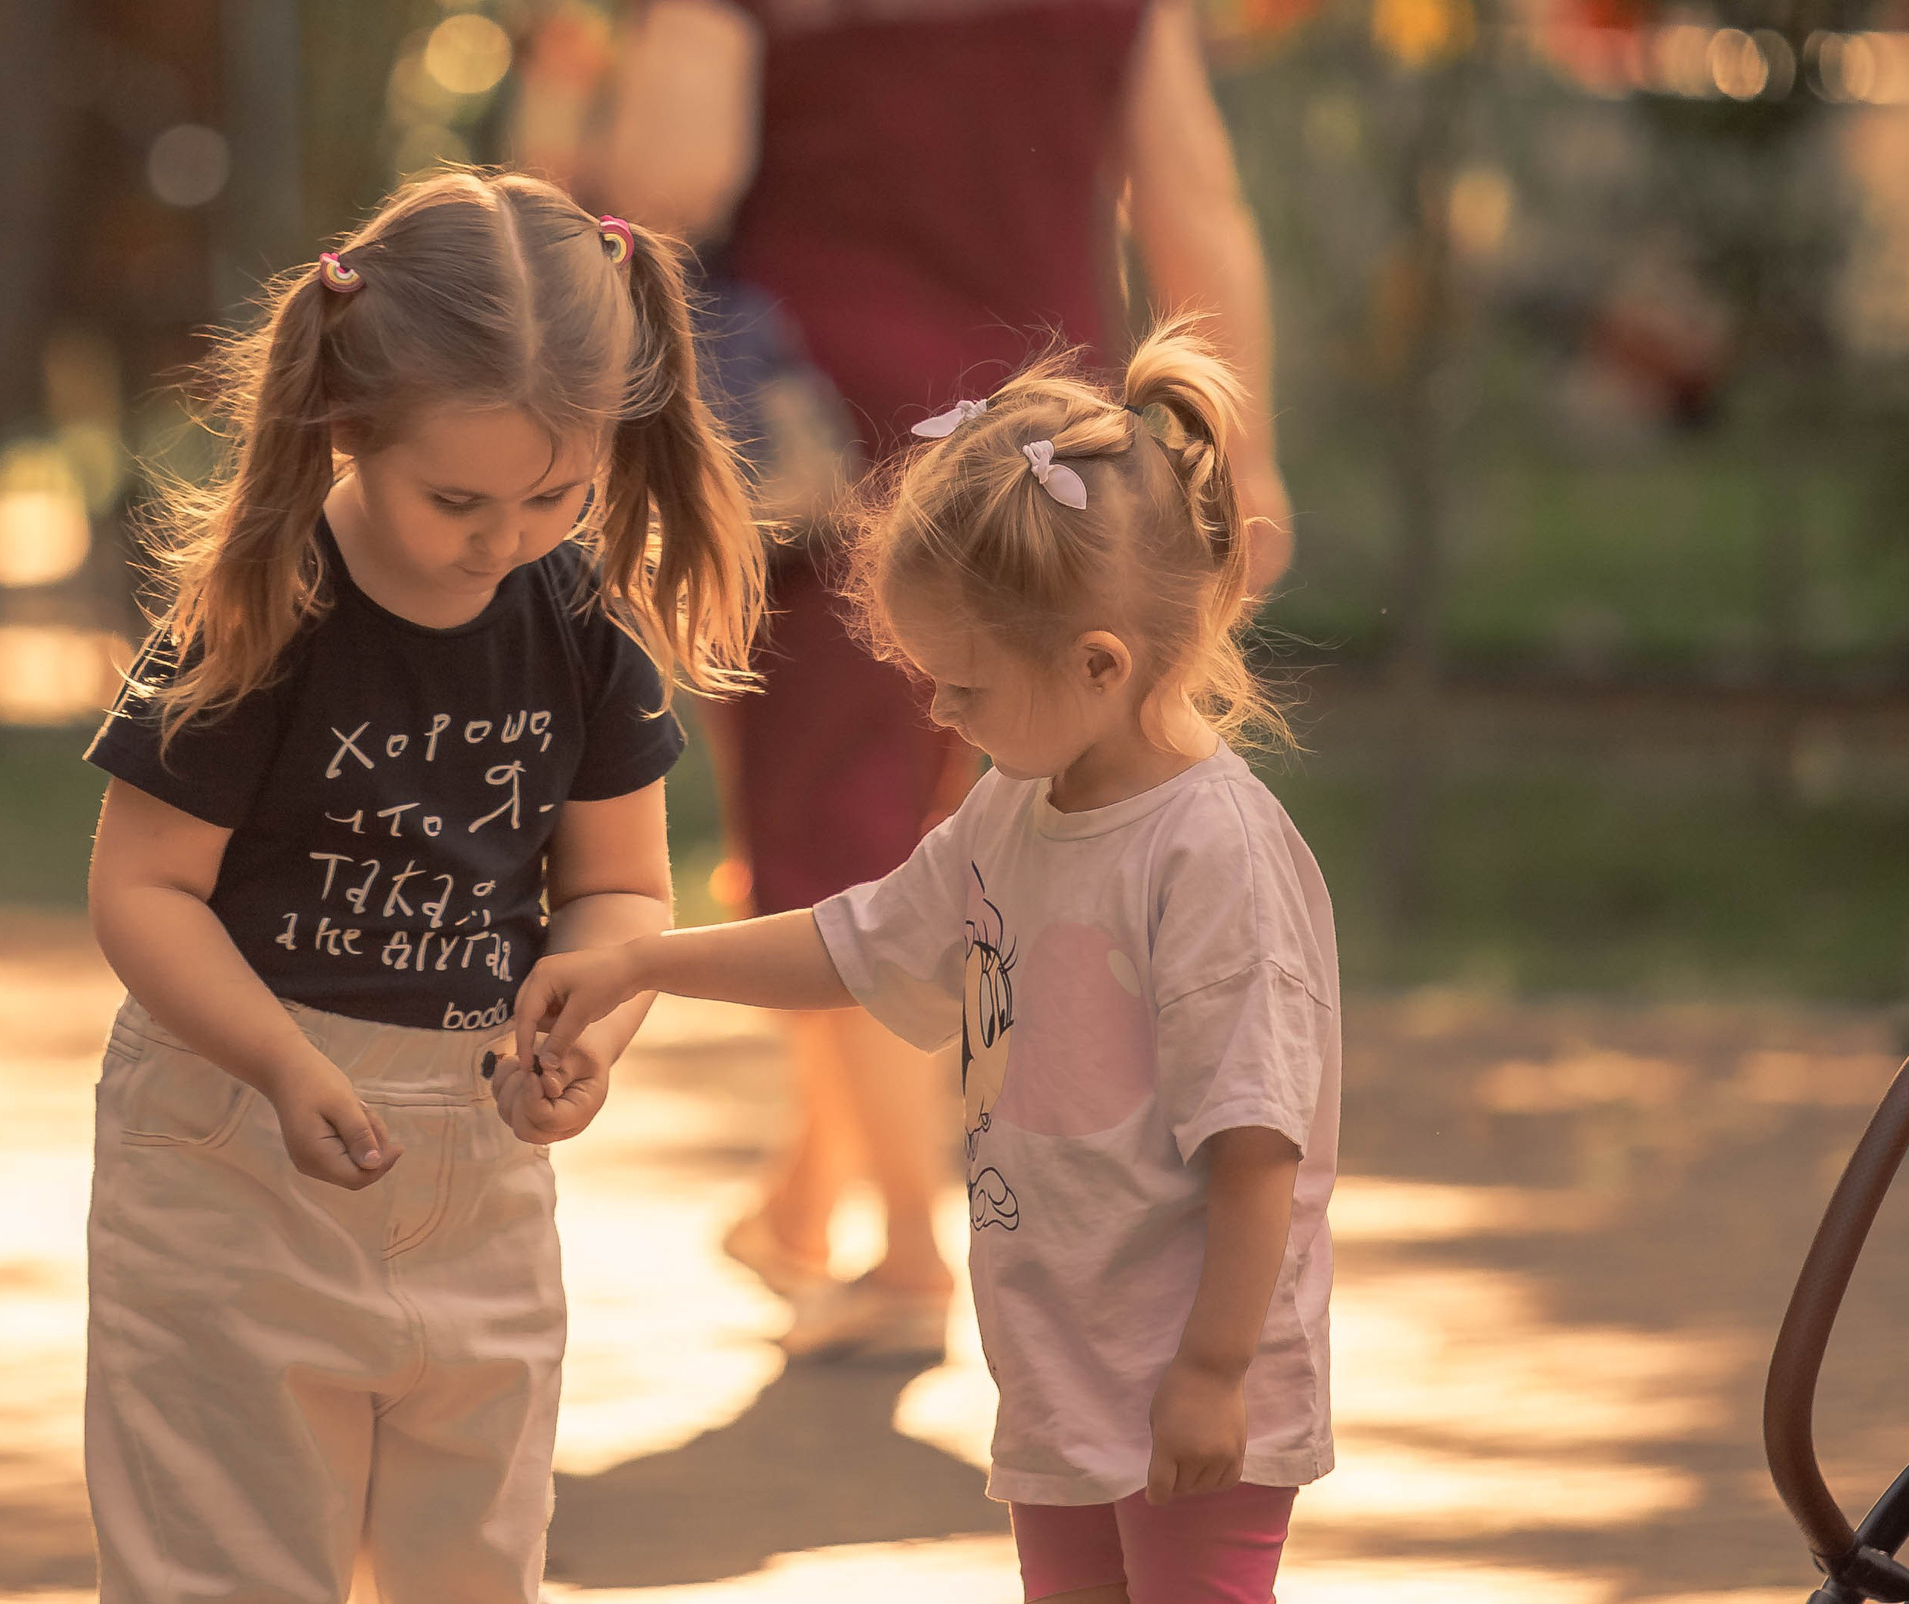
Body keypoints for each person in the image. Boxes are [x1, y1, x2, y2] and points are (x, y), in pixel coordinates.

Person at [494, 324, 1338, 1604]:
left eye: (966, 687)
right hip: (1058, 1368)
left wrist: (1215, 1371)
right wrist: (640, 963)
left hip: (1189, 1372)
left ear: (1097, 663)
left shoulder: (1209, 852)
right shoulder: (1014, 807)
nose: (939, 712)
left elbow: (1258, 1142)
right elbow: (858, 940)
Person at [78, 169, 764, 1604]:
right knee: (224, 1564)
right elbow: (143, 886)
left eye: (554, 495)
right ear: (349, 423)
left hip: (478, 1166)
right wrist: (280, 1063)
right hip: (235, 1155)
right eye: (455, 498)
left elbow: (623, 892)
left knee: (472, 1569)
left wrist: (588, 1033)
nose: (502, 538)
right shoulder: (263, 605)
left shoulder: (580, 618)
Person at [590, 0, 1294, 1359]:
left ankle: (910, 1254)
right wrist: (1241, 458)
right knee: (947, 833)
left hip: (825, 440)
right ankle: (807, 1195)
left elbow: (673, 178)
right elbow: (1195, 202)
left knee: (826, 828)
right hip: (1049, 449)